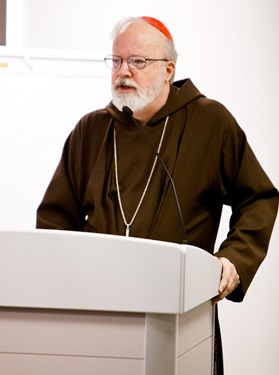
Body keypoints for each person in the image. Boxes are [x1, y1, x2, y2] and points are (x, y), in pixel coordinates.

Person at [36, 16, 278, 374]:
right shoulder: (91, 130)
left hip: (180, 313)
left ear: (168, 69)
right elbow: (55, 219)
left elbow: (257, 197)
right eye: (116, 60)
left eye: (137, 61)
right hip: (98, 314)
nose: (123, 72)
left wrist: (235, 259)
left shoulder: (211, 122)